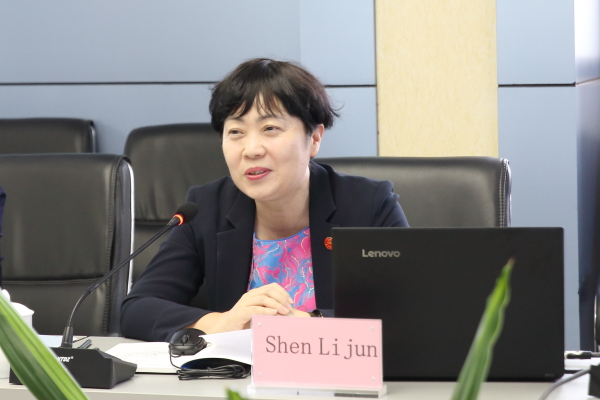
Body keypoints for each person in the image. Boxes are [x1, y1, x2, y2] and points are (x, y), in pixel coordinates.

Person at [120, 58, 409, 342]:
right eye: (236, 132)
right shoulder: (206, 208)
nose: (251, 150)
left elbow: (408, 310)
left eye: (270, 128)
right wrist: (221, 322)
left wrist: (310, 325)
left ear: (314, 138)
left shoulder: (369, 205)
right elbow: (138, 309)